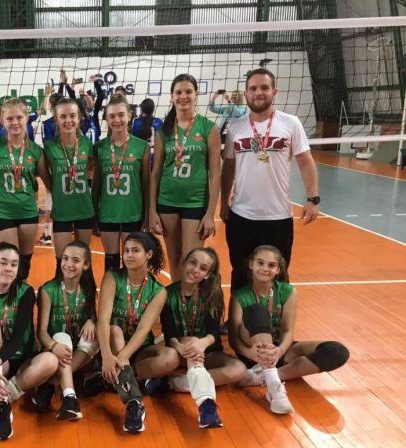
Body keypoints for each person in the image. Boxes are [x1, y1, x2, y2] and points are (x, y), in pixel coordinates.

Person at [221, 68, 321, 293]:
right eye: (253, 88)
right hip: (241, 216)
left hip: (277, 217)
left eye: (264, 87)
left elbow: (306, 161)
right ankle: (239, 315)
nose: (258, 92)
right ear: (246, 93)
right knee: (241, 274)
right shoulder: (235, 127)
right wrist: (224, 201)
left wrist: (313, 198)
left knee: (278, 276)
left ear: (274, 91)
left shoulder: (291, 123)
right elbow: (228, 167)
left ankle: (277, 314)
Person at [228, 245, 349, 414]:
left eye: (271, 265)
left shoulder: (288, 291)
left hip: (279, 350)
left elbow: (287, 332)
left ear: (278, 269)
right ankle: (274, 387)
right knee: (257, 310)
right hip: (253, 353)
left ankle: (263, 376)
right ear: (251, 264)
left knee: (337, 351)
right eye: (260, 263)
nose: (265, 269)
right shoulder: (239, 295)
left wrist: (279, 351)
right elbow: (234, 339)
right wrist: (250, 353)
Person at [143, 247, 247, 428]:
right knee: (190, 342)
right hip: (181, 350)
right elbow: (170, 335)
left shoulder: (212, 294)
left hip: (208, 351)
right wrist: (182, 347)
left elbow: (214, 333)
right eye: (193, 263)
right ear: (184, 263)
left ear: (208, 275)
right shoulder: (167, 293)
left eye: (203, 268)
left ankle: (170, 383)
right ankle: (207, 405)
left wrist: (202, 343)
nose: (195, 270)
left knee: (239, 370)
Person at [0, 242, 59, 440]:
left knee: (51, 361)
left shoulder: (26, 293)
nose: (9, 268)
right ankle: (1, 406)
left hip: (22, 361)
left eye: (14, 264)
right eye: (3, 263)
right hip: (1, 365)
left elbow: (18, 337)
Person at [92, 232, 167, 434]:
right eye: (126, 251)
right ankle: (134, 401)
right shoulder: (112, 277)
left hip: (136, 348)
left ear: (149, 254)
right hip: (111, 344)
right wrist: (107, 356)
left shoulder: (159, 290)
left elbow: (143, 329)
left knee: (170, 358)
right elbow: (103, 320)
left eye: (135, 251)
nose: (129, 255)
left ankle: (112, 377)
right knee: (115, 330)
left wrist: (120, 358)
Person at [149, 74, 221, 279]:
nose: (183, 96)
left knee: (192, 260)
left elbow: (215, 173)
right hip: (167, 201)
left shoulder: (208, 128)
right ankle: (176, 298)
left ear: (196, 94)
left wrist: (210, 214)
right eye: (178, 92)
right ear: (172, 96)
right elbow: (155, 173)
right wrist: (152, 211)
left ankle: (191, 299)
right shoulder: (163, 131)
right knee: (175, 258)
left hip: (195, 202)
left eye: (188, 92)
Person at [0, 98, 44, 281]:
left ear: (26, 118)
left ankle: (21, 298)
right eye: (9, 118)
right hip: (3, 212)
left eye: (19, 118)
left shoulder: (36, 150)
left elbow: (46, 179)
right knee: (8, 263)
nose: (15, 122)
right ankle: (2, 298)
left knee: (24, 265)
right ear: (2, 120)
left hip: (28, 212)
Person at [36, 241, 98, 420]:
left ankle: (52, 384)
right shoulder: (48, 290)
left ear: (86, 265)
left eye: (76, 260)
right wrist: (53, 346)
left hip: (80, 353)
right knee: (62, 336)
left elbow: (94, 317)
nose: (69, 264)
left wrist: (92, 321)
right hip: (54, 351)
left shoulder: (88, 289)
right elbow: (41, 332)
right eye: (65, 258)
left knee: (98, 332)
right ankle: (70, 397)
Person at [92, 96, 150, 274]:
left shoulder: (142, 146)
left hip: (133, 214)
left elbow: (146, 184)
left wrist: (148, 214)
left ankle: (131, 293)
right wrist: (94, 214)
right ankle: (111, 292)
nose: (117, 120)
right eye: (111, 116)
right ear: (106, 119)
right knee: (110, 263)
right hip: (107, 214)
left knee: (131, 263)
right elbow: (96, 184)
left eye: (121, 115)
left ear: (129, 116)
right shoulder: (99, 147)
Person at [39, 97, 95, 275]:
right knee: (61, 264)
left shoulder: (87, 144)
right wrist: (55, 191)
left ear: (79, 117)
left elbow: (93, 173)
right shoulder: (49, 147)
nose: (68, 120)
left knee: (83, 264)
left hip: (84, 209)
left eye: (72, 115)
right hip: (62, 210)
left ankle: (86, 294)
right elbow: (45, 176)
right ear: (56, 119)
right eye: (63, 116)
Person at [132, 98, 163, 165]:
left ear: (141, 109)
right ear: (153, 109)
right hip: (156, 157)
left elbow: (133, 141)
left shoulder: (136, 122)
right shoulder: (159, 122)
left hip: (140, 156)